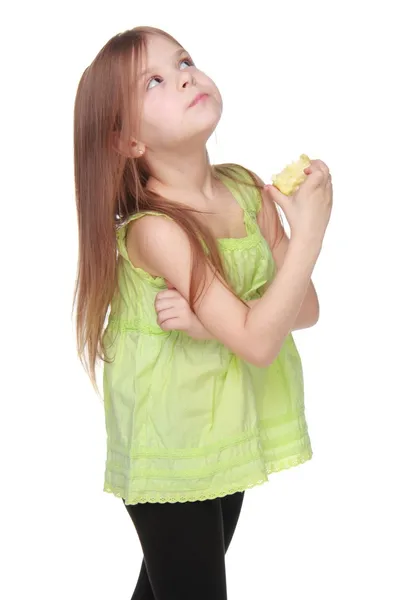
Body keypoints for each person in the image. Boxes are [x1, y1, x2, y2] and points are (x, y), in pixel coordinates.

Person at [73, 25, 333, 600]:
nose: (185, 74)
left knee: (171, 587)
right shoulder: (156, 230)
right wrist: (309, 232)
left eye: (184, 59)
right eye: (156, 81)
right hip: (169, 438)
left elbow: (304, 309)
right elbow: (259, 340)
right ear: (128, 143)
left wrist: (221, 323)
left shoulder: (244, 190)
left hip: (224, 424)